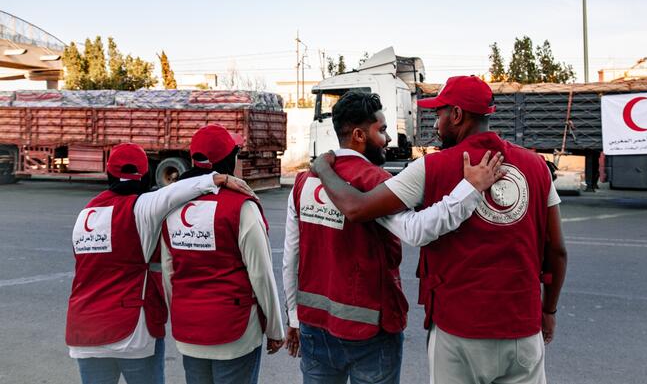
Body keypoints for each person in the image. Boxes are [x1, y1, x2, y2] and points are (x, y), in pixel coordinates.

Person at [311, 76, 568, 384]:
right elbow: (557, 250)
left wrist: (323, 168)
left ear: (457, 115)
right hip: (523, 329)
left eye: (439, 114)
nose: (436, 124)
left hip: (459, 331)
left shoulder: (431, 168)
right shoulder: (536, 166)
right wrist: (548, 310)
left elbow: (357, 208)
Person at [283, 91, 504, 384]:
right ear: (360, 135)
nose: (388, 139)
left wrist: (294, 318)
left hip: (313, 324)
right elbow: (416, 230)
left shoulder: (304, 182)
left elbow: (290, 258)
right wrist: (470, 189)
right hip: (371, 329)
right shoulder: (376, 183)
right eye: (382, 130)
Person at [67, 142, 250, 384]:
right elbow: (172, 193)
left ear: (109, 173)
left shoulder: (84, 214)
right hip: (132, 331)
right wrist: (217, 179)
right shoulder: (140, 207)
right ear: (145, 176)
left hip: (85, 330)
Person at [160, 124, 285, 384]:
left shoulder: (171, 206)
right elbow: (261, 274)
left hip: (190, 330)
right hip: (235, 331)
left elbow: (168, 272)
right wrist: (275, 328)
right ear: (230, 160)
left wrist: (183, 315)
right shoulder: (241, 206)